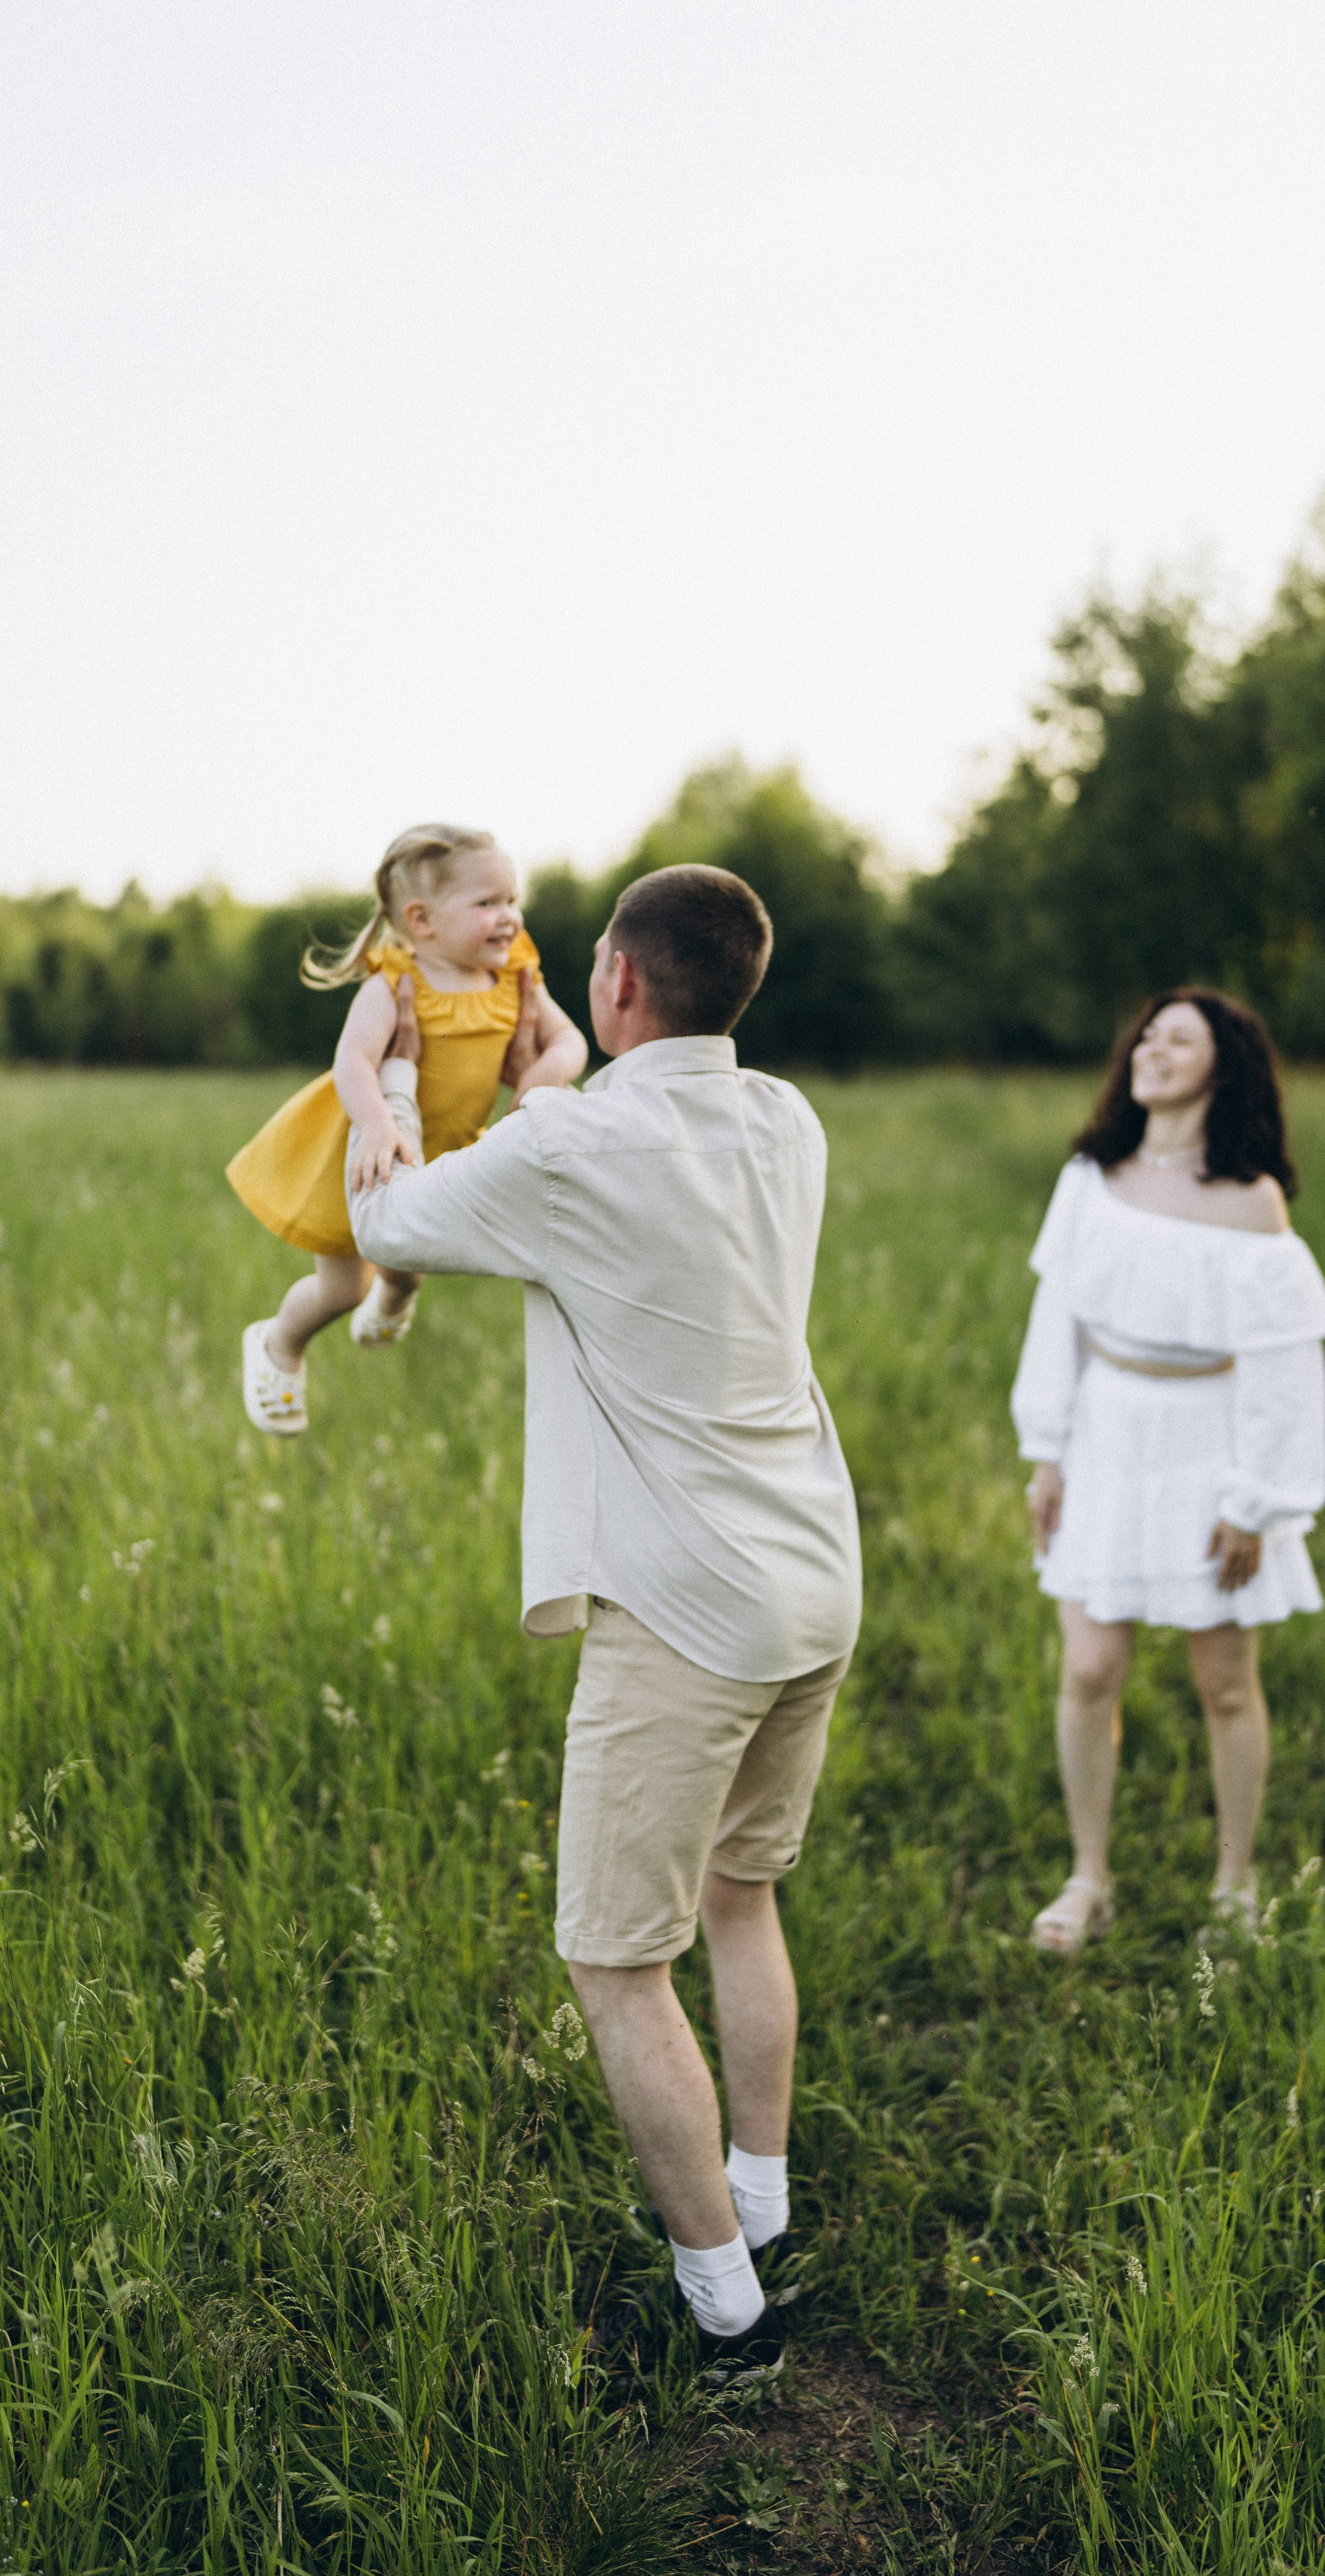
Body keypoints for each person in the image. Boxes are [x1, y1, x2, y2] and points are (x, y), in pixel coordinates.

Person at [349, 865, 862, 2381]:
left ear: (619, 984)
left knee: (611, 1959)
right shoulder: (786, 1118)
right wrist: (561, 1076)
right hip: (813, 1577)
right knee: (740, 1893)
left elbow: (394, 1218)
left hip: (684, 1606)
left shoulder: (563, 1151)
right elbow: (604, 1124)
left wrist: (391, 1074)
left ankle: (726, 2311)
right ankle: (756, 2203)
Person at [1011, 987, 1325, 1956]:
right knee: (1089, 1666)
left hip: (1212, 1441)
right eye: (1149, 1034)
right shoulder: (1090, 1175)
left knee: (1224, 1682)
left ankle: (1235, 1885)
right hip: (1106, 1430)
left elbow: (1284, 1372)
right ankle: (1089, 1878)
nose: (1153, 1047)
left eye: (1180, 1039)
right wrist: (1047, 1453)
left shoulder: (1251, 1201)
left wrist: (1255, 1502)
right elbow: (1055, 1321)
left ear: (1222, 1067)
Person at [227, 824, 585, 1434]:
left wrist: (544, 1077)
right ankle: (278, 1344)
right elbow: (355, 1061)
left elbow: (569, 1040)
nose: (509, 917)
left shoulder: (516, 977)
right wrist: (375, 1125)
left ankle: (393, 1296)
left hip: (442, 1151)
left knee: (408, 1263)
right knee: (341, 1289)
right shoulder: (395, 984)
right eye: (488, 903)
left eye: (512, 901)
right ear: (422, 921)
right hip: (364, 1152)